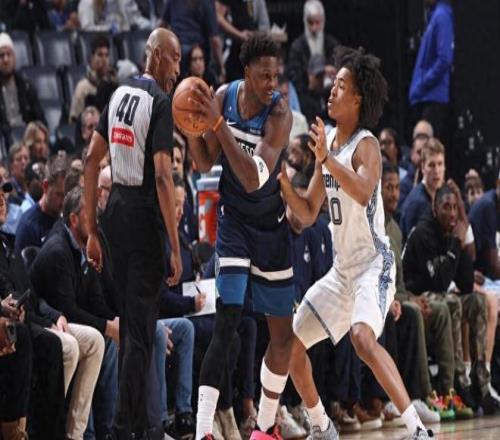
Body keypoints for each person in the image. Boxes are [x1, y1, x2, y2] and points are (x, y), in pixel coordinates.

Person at [278, 46, 432, 439]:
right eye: (334, 83)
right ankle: (320, 424)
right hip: (342, 271)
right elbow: (308, 211)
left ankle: (417, 430)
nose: (332, 89)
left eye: (341, 85)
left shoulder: (366, 144)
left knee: (362, 338)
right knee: (289, 346)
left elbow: (363, 192)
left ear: (358, 99)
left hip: (373, 265)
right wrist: (282, 186)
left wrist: (327, 160)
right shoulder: (328, 141)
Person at [185, 33, 294, 439]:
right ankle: (203, 430)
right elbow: (203, 161)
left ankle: (265, 425)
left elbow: (251, 179)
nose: (271, 84)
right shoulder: (223, 98)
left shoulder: (280, 114)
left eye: (275, 76)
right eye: (264, 76)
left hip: (271, 228)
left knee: (281, 335)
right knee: (226, 321)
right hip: (233, 223)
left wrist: (217, 123)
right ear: (246, 72)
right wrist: (191, 125)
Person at [84, 28, 182, 440]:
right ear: (156, 55)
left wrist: (91, 229)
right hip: (143, 219)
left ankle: (140, 426)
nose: (178, 69)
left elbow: (91, 160)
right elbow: (162, 176)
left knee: (133, 331)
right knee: (140, 335)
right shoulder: (159, 102)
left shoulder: (118, 93)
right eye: (175, 58)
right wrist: (174, 245)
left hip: (114, 218)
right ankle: (125, 430)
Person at [409, 0, 454, 142]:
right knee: (422, 148)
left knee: (427, 149)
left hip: (432, 97)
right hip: (425, 96)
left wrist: (423, 83)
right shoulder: (434, 16)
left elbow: (444, 59)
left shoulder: (441, 16)